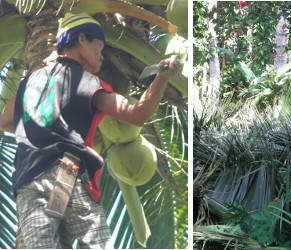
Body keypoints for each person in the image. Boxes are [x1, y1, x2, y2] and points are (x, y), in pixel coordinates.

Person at [0, 13, 180, 248]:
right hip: (64, 177)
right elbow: (137, 114)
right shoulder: (85, 81)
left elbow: (4, 122)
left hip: (28, 182)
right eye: (99, 46)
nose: (102, 56)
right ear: (82, 38)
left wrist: (38, 131)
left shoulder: (29, 81)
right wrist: (162, 78)